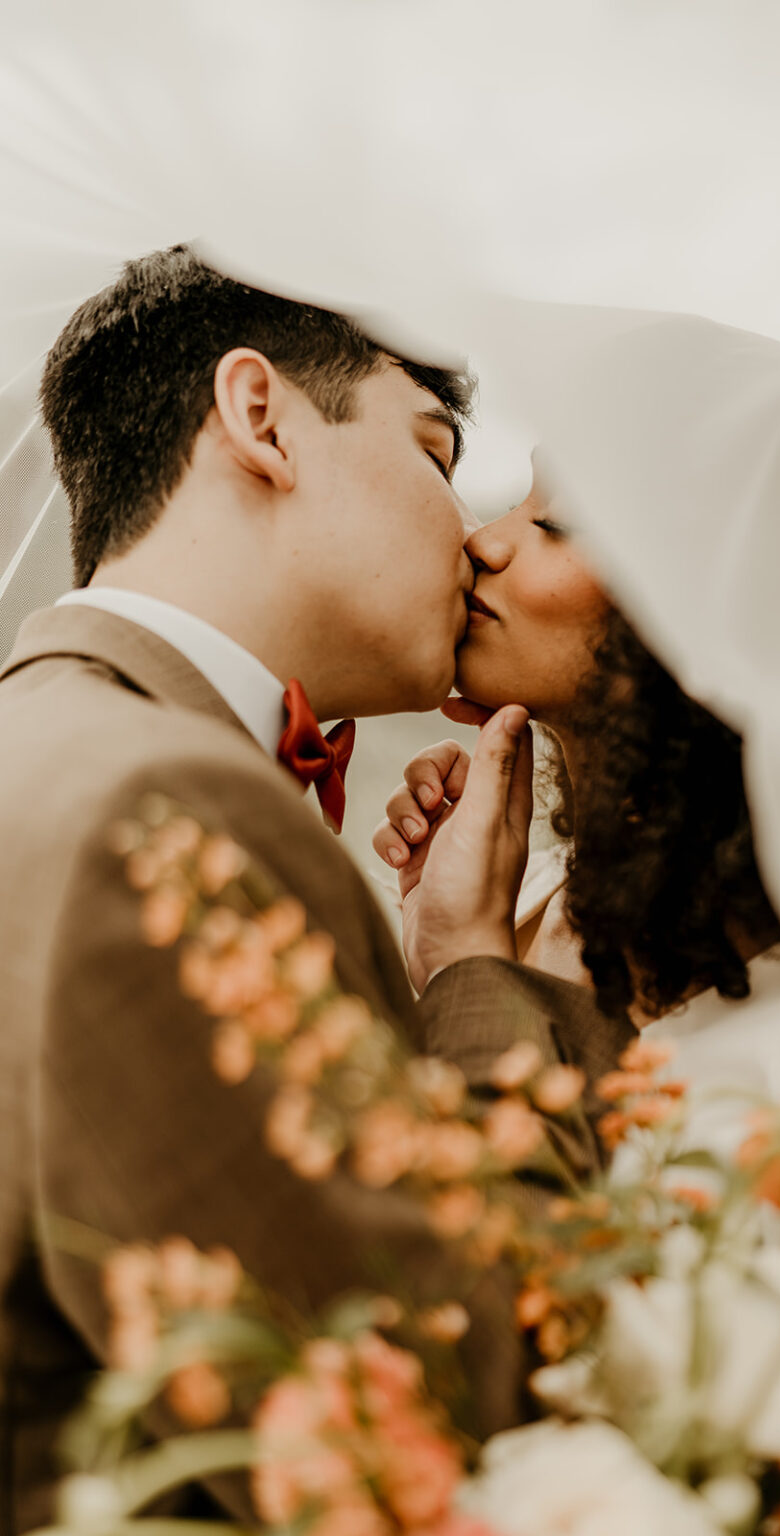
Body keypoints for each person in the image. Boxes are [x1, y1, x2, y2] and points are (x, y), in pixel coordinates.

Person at [0, 246, 634, 1532]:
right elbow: (429, 1409)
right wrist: (476, 980)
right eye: (436, 454)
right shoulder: (157, 814)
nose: (467, 531)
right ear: (260, 419)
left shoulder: (61, 748)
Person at [375, 464, 780, 1123]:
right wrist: (453, 970)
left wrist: (469, 966)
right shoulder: (520, 906)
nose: (485, 542)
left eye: (558, 521)